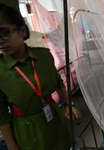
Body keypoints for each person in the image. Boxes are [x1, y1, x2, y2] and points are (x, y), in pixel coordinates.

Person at [0, 3, 81, 150]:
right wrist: (11, 145)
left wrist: (67, 104)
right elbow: (2, 114)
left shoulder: (43, 56)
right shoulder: (1, 70)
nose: (0, 40)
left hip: (54, 120)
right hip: (27, 130)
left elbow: (58, 82)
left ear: (22, 31)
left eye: (4, 32)